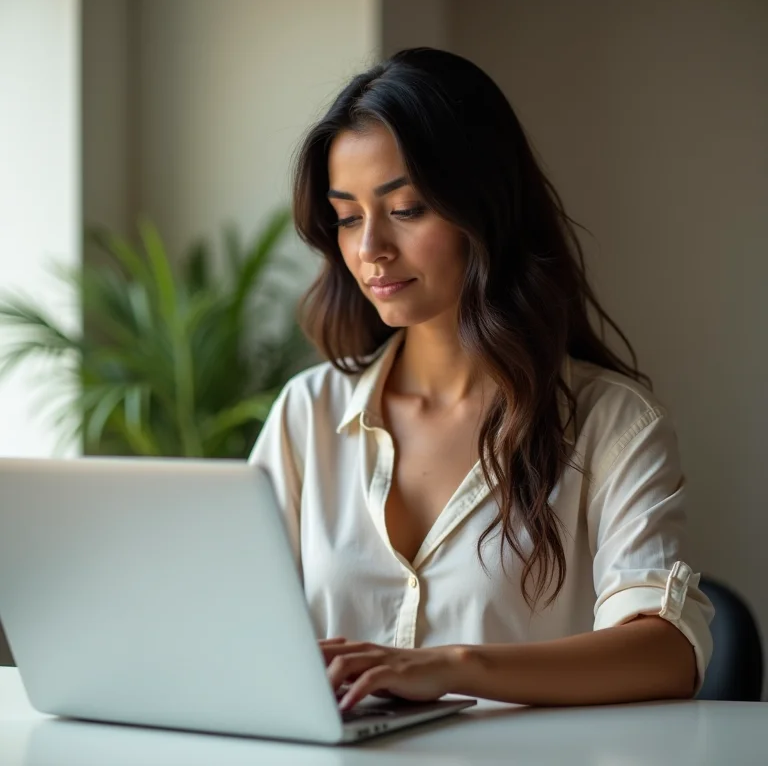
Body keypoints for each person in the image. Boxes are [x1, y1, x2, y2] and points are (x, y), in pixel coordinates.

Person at [248, 47, 713, 711]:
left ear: (484, 209)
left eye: (405, 209)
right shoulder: (307, 415)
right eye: (348, 216)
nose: (370, 247)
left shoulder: (612, 422)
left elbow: (668, 652)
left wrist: (449, 667)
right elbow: (235, 629)